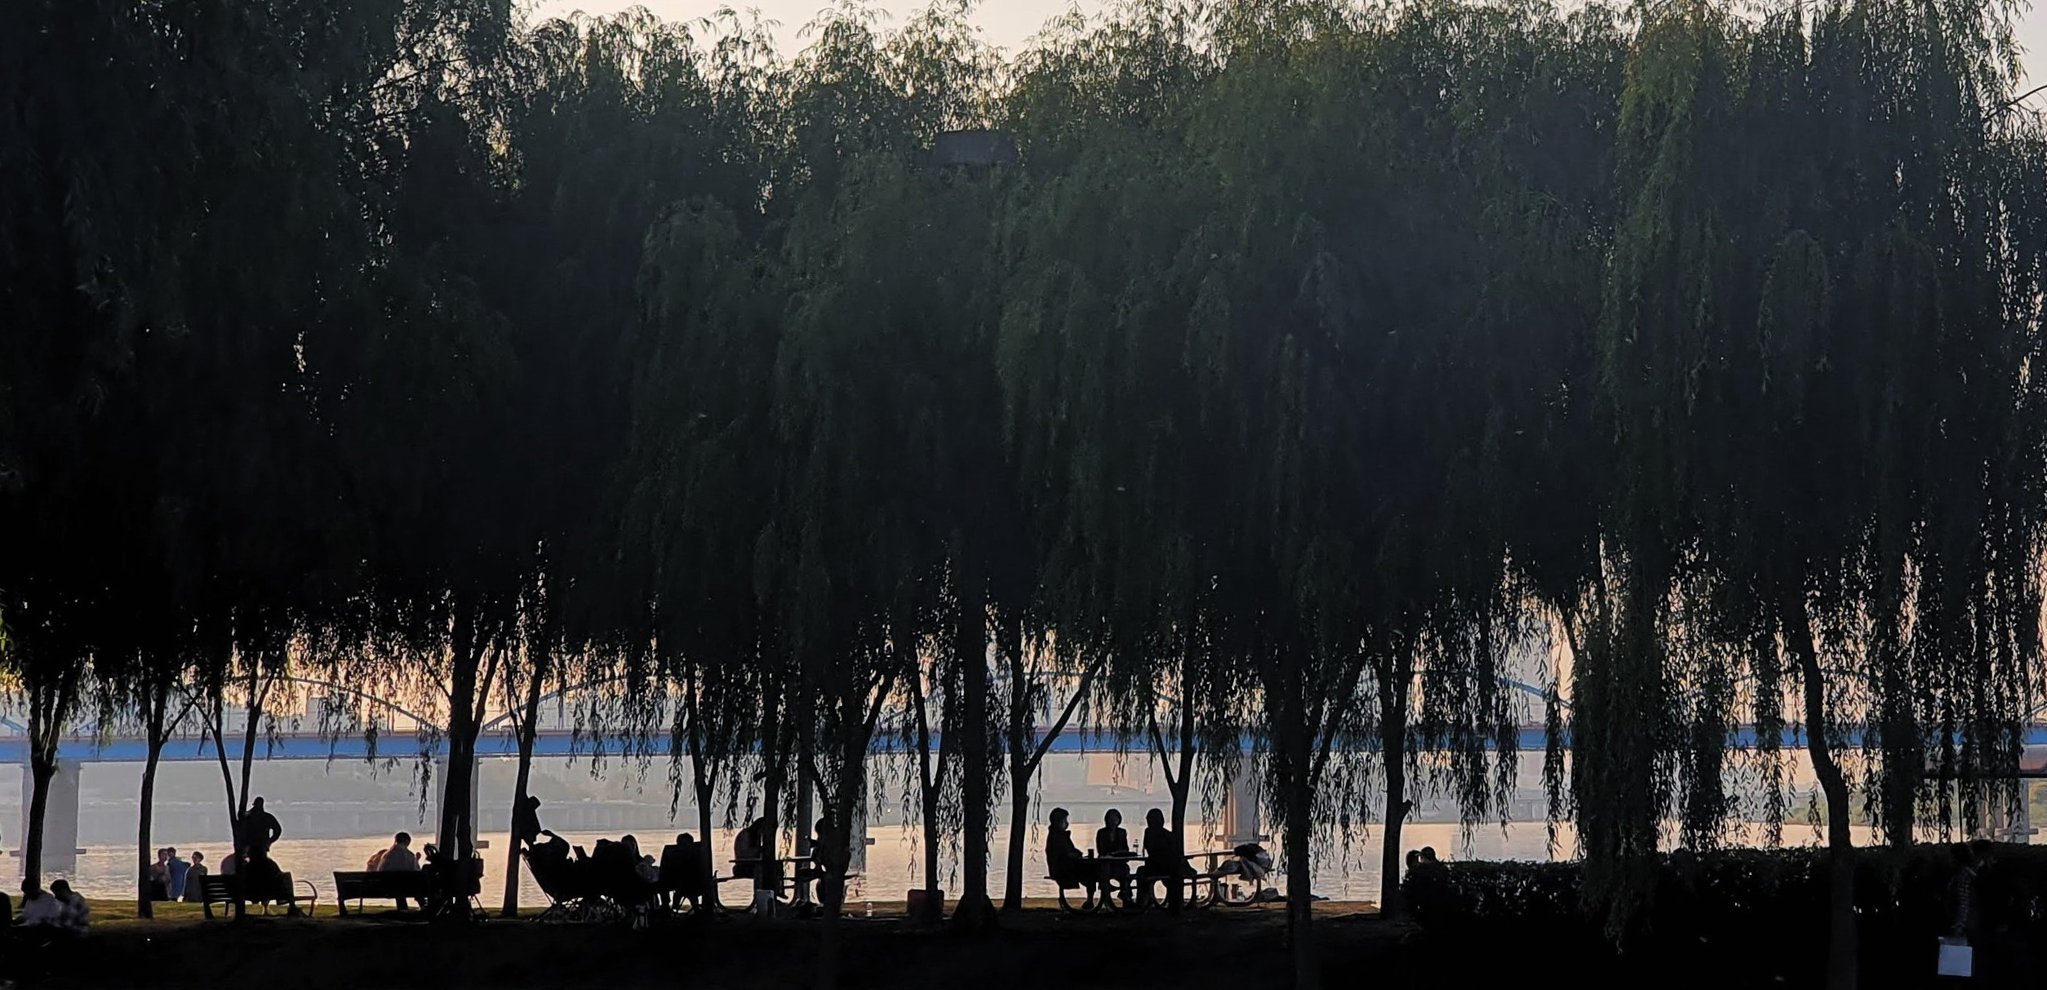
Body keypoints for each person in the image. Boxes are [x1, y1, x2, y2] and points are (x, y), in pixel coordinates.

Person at [1137, 808, 1195, 908]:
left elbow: (1150, 850)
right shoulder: (1168, 835)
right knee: (1142, 872)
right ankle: (1148, 900)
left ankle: (1142, 901)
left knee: (1141, 872)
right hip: (1168, 867)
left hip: (1158, 867)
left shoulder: (1150, 833)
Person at [1045, 808, 1097, 905]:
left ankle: (1090, 900)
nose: (1067, 823)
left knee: (1092, 871)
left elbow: (1070, 850)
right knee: (1091, 873)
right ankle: (1090, 900)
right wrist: (1077, 855)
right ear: (1058, 822)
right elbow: (1065, 853)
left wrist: (1077, 854)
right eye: (1065, 820)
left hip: (1067, 866)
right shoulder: (1057, 837)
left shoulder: (1060, 835)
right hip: (1063, 869)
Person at [1095, 808, 1134, 906]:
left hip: (1119, 864)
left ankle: (1125, 896)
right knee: (1106, 871)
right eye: (1110, 819)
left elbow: (1125, 849)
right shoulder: (1101, 833)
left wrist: (1121, 854)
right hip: (1106, 864)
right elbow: (1101, 850)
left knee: (1125, 870)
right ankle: (1113, 896)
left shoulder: (1122, 832)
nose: (1112, 821)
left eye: (1115, 819)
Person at [659, 833, 706, 912]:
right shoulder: (675, 855)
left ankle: (667, 907)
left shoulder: (695, 855)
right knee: (662, 884)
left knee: (665, 884)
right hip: (678, 882)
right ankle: (665, 906)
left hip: (693, 882)